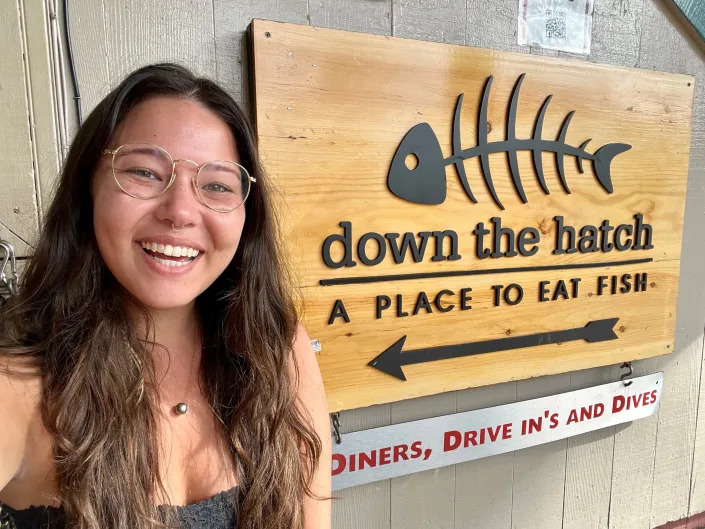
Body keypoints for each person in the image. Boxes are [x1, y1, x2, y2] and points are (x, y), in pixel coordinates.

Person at [0, 63, 331, 529]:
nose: (179, 211)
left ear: (246, 215)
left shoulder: (275, 345)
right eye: (144, 172)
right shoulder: (21, 385)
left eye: (217, 185)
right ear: (87, 187)